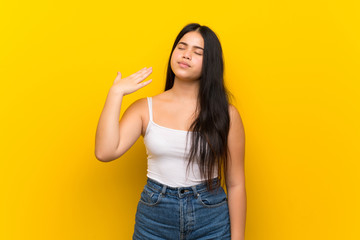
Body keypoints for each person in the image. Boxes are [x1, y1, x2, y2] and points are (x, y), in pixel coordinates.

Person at [95, 23, 246, 240]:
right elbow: (105, 152)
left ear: (210, 62)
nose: (186, 55)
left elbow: (236, 183)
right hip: (155, 216)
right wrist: (115, 93)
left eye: (197, 52)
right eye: (181, 47)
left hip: (211, 217)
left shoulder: (227, 114)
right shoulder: (144, 108)